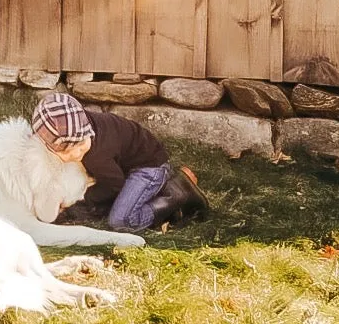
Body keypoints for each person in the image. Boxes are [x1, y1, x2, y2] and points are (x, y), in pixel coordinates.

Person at [30, 92, 208, 233]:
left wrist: (83, 198)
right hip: (126, 164)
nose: (75, 154)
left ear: (86, 130)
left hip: (149, 167)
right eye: (66, 152)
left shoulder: (98, 155)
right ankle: (156, 194)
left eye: (80, 145)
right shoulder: (80, 124)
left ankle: (176, 195)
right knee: (104, 205)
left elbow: (114, 184)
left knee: (120, 220)